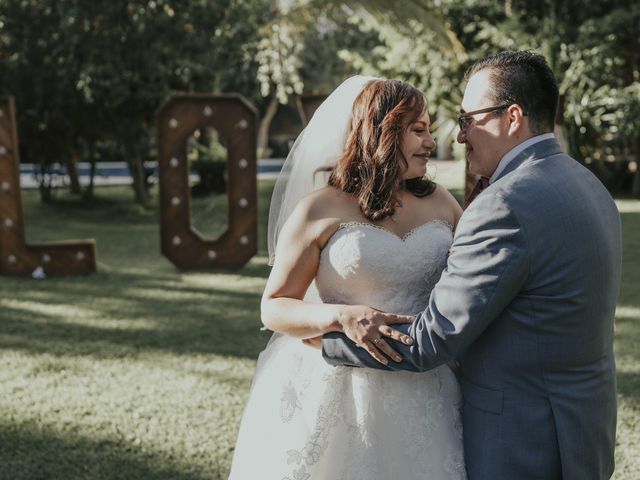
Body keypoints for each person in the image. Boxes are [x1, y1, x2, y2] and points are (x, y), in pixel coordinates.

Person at [323, 51, 622, 480]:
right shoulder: (588, 184)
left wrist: (319, 343)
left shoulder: (503, 204)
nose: (460, 136)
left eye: (468, 120)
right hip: (583, 423)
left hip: (521, 438)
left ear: (512, 117)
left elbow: (431, 342)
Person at [228, 76, 466, 479]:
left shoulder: (441, 202)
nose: (431, 142)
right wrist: (341, 317)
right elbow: (273, 307)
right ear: (383, 130)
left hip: (426, 385)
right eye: (418, 130)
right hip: (335, 386)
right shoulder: (320, 209)